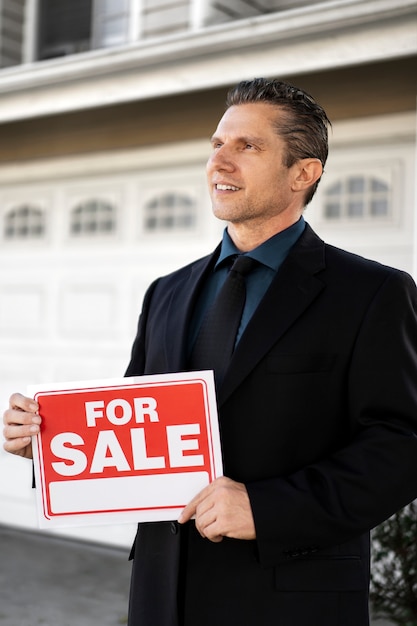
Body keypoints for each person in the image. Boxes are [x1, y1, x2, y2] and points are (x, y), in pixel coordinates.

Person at [3, 78, 417, 626]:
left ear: (304, 172)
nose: (219, 161)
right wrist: (53, 445)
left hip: (290, 599)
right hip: (160, 592)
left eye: (247, 146)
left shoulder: (371, 293)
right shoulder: (166, 292)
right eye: (216, 144)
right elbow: (135, 428)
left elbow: (401, 445)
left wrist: (267, 509)